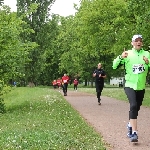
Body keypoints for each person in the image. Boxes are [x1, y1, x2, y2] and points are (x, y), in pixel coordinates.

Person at [112, 34, 150, 142]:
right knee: (133, 105)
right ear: (132, 43)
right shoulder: (127, 54)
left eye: (140, 40)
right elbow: (114, 66)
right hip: (129, 84)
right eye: (136, 40)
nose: (139, 42)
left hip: (141, 86)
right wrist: (120, 57)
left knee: (136, 108)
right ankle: (134, 133)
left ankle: (130, 124)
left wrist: (148, 62)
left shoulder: (147, 54)